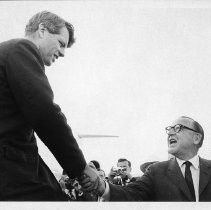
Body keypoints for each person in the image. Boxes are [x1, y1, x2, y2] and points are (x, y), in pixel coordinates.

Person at [0, 11, 98, 201]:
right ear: (42, 30)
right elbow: (46, 115)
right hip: (11, 173)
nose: (62, 53)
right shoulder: (21, 49)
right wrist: (81, 167)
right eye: (61, 43)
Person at [81, 116, 211, 201]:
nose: (170, 132)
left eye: (178, 128)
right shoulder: (156, 171)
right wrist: (103, 187)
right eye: (169, 129)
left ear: (196, 138)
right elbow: (131, 193)